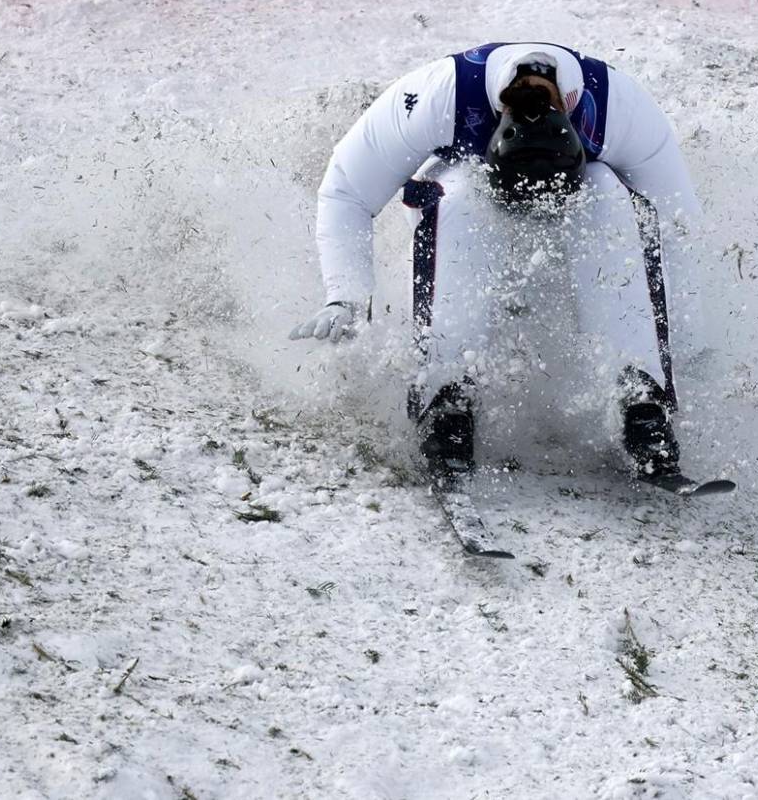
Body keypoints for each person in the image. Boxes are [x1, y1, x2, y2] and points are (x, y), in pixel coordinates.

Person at [290, 42, 705, 481]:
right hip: (465, 205)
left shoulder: (620, 111)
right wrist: (345, 297)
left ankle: (639, 399)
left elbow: (678, 226)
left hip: (584, 221)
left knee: (606, 189)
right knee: (462, 193)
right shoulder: (435, 97)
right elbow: (347, 192)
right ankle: (445, 399)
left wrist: (689, 336)